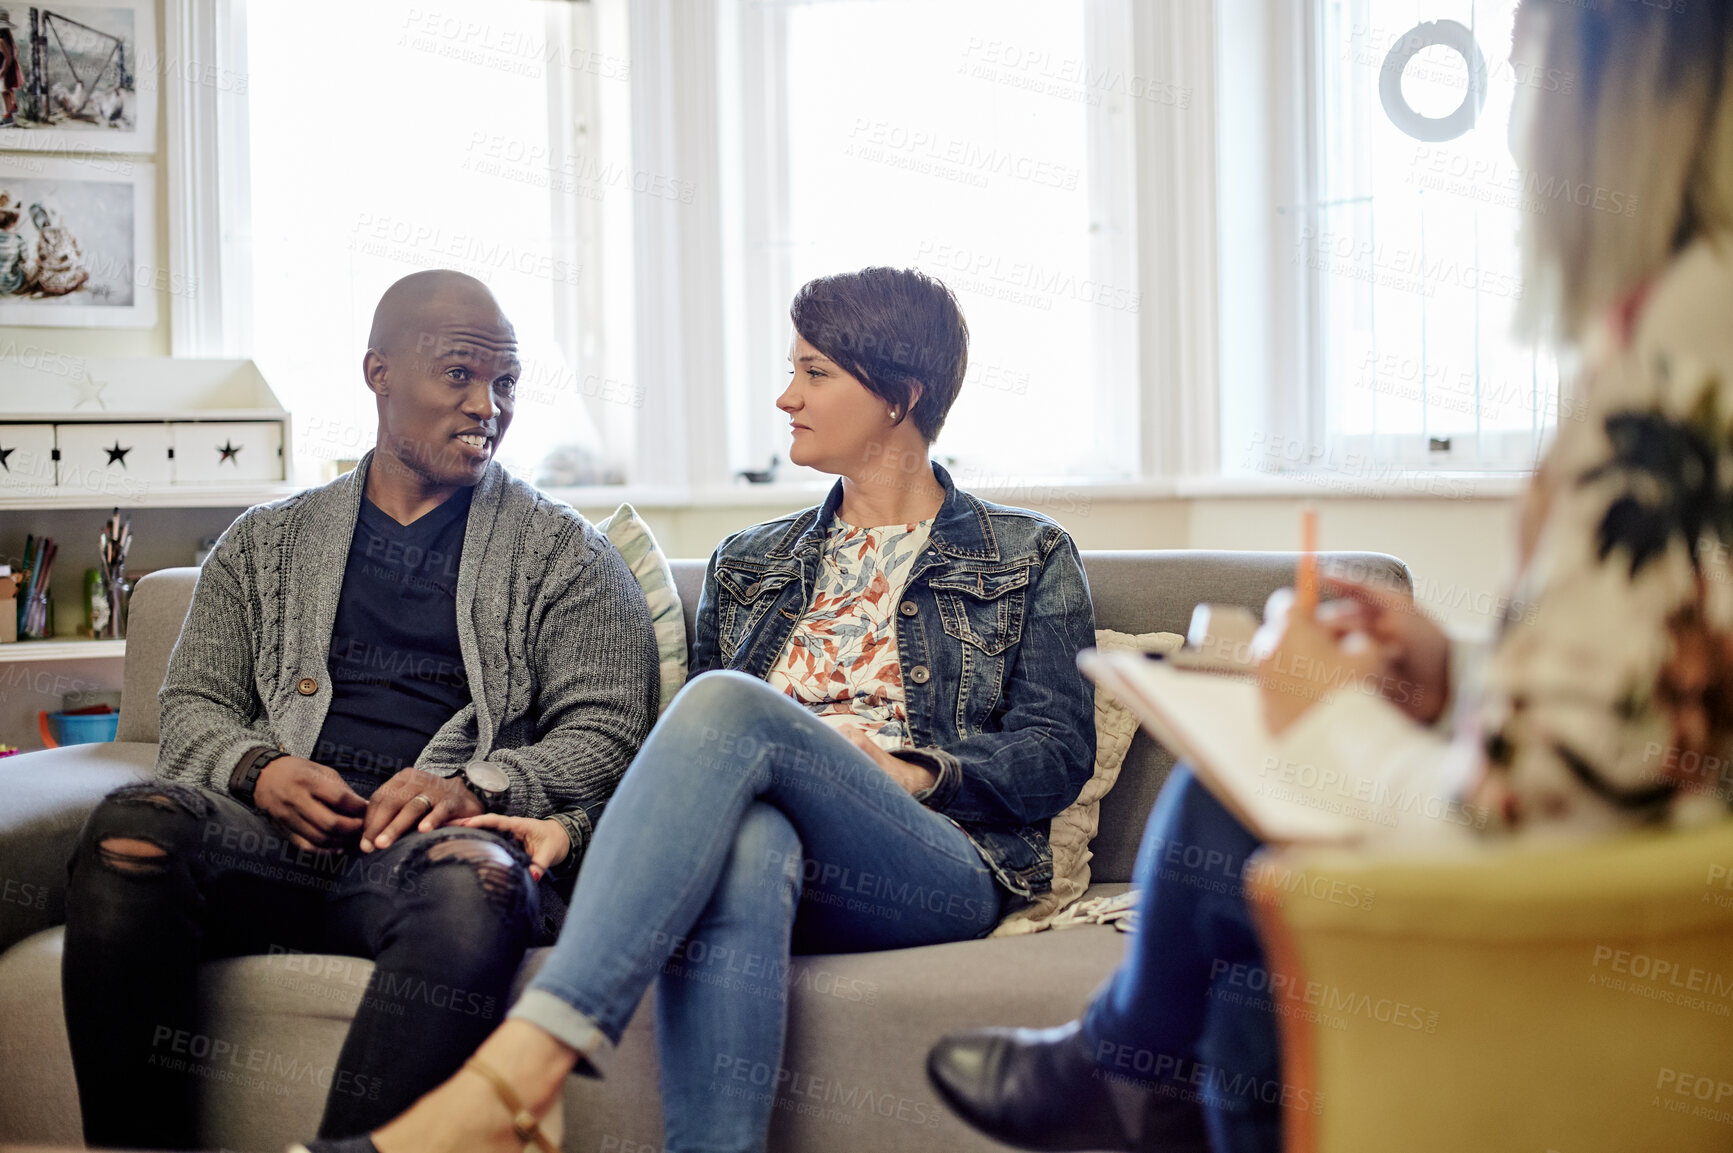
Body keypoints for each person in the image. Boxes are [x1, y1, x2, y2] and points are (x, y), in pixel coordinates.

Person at [925, 2, 1733, 1150]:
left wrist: (1325, 722)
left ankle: (1113, 1067)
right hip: (1638, 886)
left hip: (1596, 933)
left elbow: (1525, 823)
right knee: (1254, 936)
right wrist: (1453, 675)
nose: (1519, 124)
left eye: (1524, 66)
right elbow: (1651, 699)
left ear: (1615, 81)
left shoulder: (1672, 356)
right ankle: (1116, 1071)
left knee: (1259, 890)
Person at [297, 265, 1100, 1153]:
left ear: (899, 396)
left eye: (816, 374)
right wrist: (576, 827)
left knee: (729, 701)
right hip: (784, 852)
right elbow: (685, 761)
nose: (786, 396)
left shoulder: (1027, 553)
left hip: (930, 860)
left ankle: (523, 1072)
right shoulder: (748, 563)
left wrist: (909, 769)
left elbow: (1054, 749)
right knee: (753, 837)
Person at [61, 270, 660, 1150]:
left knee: (483, 884)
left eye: (505, 384)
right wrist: (257, 770)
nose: (486, 405)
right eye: (458, 374)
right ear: (378, 372)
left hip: (428, 859)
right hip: (272, 847)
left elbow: (608, 731)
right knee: (133, 828)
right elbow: (190, 707)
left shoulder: (566, 555)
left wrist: (474, 783)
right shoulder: (263, 542)